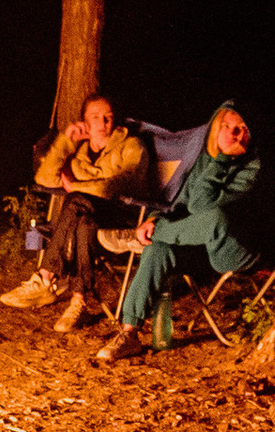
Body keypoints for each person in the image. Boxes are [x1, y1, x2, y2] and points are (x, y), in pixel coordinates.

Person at [93, 100, 262, 358]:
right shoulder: (204, 161)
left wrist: (223, 159)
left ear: (249, 134)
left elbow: (203, 206)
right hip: (201, 250)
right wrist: (153, 218)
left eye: (240, 128)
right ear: (215, 129)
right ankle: (129, 332)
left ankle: (135, 237)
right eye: (226, 125)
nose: (232, 133)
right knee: (158, 248)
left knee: (214, 217)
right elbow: (180, 202)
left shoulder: (252, 169)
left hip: (234, 251)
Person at [0, 93, 149, 331]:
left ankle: (46, 277)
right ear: (85, 123)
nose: (102, 123)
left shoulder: (131, 146)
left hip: (122, 215)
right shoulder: (78, 150)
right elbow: (44, 178)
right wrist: (65, 142)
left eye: (108, 117)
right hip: (88, 218)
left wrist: (75, 187)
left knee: (76, 200)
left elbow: (116, 186)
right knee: (84, 224)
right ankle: (78, 302)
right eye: (95, 117)